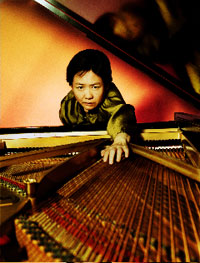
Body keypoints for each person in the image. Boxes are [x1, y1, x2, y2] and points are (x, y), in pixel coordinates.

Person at [59, 49, 137, 164]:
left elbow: (122, 113)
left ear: (106, 86)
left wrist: (120, 138)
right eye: (80, 87)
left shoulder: (111, 97)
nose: (88, 96)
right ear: (71, 86)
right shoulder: (68, 105)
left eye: (95, 87)